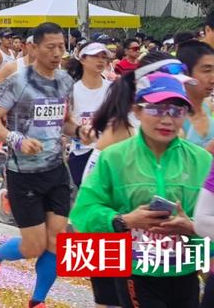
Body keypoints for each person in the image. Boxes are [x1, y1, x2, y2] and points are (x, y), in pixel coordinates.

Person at [70, 70, 212, 308]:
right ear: (137, 111)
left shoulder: (202, 160)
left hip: (186, 272)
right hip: (136, 272)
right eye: (156, 109)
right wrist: (124, 220)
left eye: (177, 110)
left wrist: (192, 227)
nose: (167, 119)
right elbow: (83, 212)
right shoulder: (114, 157)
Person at [0, 22, 93, 308]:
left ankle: (37, 300)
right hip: (24, 174)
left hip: (56, 170)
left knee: (56, 241)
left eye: (61, 47)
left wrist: (79, 131)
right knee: (33, 246)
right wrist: (16, 139)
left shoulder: (65, 81)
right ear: (34, 47)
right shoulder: (18, 81)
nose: (56, 53)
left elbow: (64, 121)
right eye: (50, 47)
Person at [66, 42, 113, 186]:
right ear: (82, 59)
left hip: (109, 153)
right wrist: (79, 131)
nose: (101, 60)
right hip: (81, 153)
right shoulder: (71, 90)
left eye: (104, 57)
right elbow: (65, 124)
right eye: (95, 56)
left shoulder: (113, 89)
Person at [176, 40, 214, 151]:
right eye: (207, 71)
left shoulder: (208, 107)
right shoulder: (174, 120)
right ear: (185, 73)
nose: (212, 79)